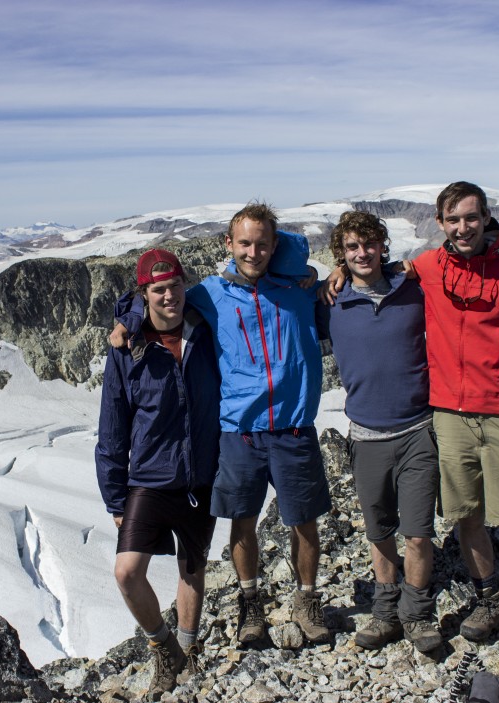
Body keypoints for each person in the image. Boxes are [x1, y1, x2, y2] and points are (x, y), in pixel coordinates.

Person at [111, 202, 332, 646]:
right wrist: (127, 318)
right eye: (245, 243)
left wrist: (328, 271)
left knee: (304, 522)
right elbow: (158, 299)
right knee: (243, 523)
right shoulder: (210, 294)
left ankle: (307, 599)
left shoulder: (299, 288)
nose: (254, 252)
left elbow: (350, 284)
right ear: (228, 245)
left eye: (263, 243)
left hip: (292, 426)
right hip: (239, 432)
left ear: (275, 245)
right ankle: (251, 604)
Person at [408, 182, 499, 661]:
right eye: (453, 220)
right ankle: (489, 597)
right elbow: (373, 273)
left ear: (487, 217)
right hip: (450, 415)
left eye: (471, 218)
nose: (463, 228)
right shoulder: (428, 267)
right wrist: (322, 276)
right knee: (466, 516)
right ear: (440, 224)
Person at [95, 249, 221, 700]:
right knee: (127, 571)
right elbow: (113, 423)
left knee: (193, 565)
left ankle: (186, 649)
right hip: (149, 475)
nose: (170, 296)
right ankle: (164, 647)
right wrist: (114, 499)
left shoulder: (205, 329)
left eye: (175, 285)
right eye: (158, 289)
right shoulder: (129, 347)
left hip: (199, 474)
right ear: (144, 293)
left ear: (185, 283)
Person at [315, 210, 442, 653]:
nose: (362, 253)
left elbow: (454, 262)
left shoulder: (413, 288)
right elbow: (283, 277)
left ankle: (417, 612)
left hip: (418, 430)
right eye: (351, 247)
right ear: (341, 254)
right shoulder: (330, 301)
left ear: (382, 246)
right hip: (366, 435)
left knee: (420, 531)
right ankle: (386, 611)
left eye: (368, 244)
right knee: (379, 532)